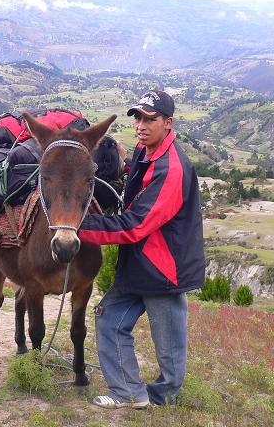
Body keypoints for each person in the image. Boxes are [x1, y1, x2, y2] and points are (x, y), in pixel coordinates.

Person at [78, 90, 205, 409]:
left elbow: (134, 225)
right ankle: (128, 393)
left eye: (150, 119)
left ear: (168, 123)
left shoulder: (172, 168)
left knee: (169, 346)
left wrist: (79, 227)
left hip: (163, 269)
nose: (141, 125)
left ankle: (164, 398)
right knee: (109, 318)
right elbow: (135, 184)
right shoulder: (147, 152)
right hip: (139, 264)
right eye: (137, 117)